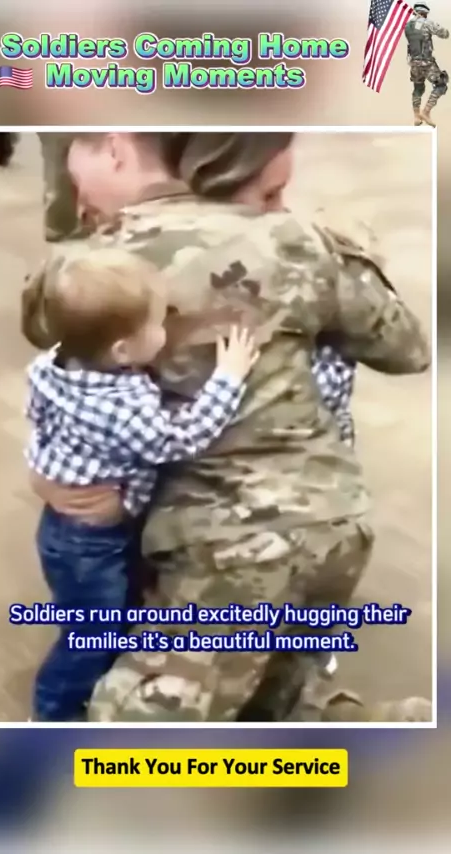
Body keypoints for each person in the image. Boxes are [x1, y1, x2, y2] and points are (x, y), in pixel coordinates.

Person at [23, 132, 431, 723]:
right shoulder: (301, 241)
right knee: (271, 691)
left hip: (223, 544)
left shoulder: (94, 262)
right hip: (335, 517)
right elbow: (407, 349)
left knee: (127, 732)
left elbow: (46, 334)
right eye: (272, 189)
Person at [24, 245, 257, 721]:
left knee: (103, 615)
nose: (166, 329)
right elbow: (180, 439)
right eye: (158, 323)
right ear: (122, 351)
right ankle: (52, 717)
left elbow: (39, 418)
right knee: (90, 638)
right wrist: (228, 379)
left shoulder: (52, 363)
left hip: (66, 530)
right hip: (90, 544)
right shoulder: (123, 408)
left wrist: (47, 467)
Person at [405, 3, 449, 127]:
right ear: (424, 13)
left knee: (418, 88)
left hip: (414, 63)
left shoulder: (407, 26)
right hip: (427, 63)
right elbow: (444, 34)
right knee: (441, 84)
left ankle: (416, 116)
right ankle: (426, 112)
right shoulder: (427, 23)